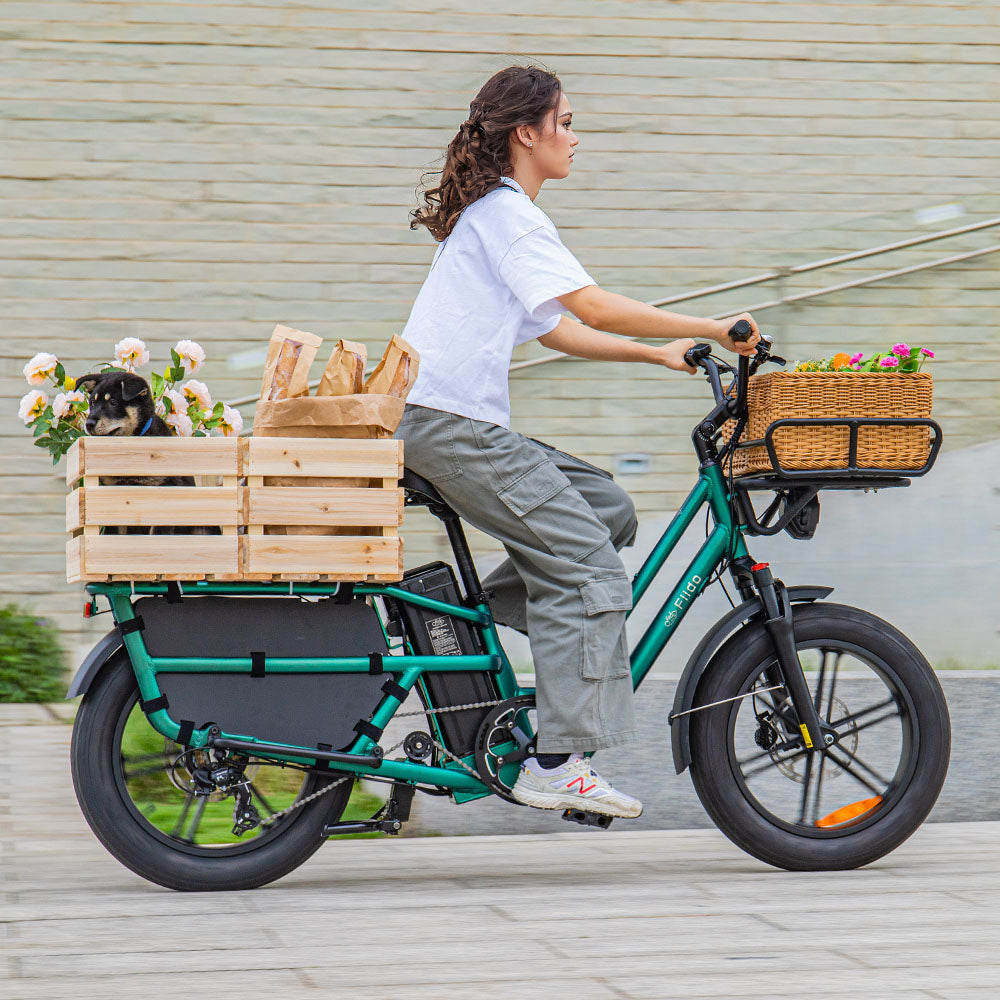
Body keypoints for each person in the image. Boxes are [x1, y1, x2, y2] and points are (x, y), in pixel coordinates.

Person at [399, 65, 760, 819]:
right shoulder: (509, 214)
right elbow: (591, 304)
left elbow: (558, 327)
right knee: (590, 567)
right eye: (564, 122)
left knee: (607, 509)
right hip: (450, 425)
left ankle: (486, 618)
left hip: (450, 423)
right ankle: (558, 762)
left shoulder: (498, 215)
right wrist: (710, 325)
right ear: (525, 133)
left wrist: (656, 355)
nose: (573, 136)